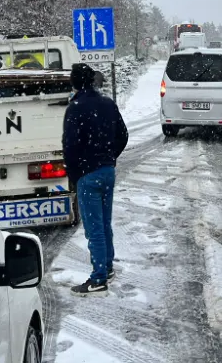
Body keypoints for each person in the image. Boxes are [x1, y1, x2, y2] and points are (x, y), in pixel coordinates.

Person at [62, 63, 129, 296]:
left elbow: (69, 146)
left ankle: (98, 278)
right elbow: (123, 135)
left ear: (74, 83)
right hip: (107, 172)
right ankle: (108, 267)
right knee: (104, 223)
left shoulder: (75, 108)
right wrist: (109, 157)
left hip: (87, 175)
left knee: (94, 228)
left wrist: (75, 174)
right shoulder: (108, 104)